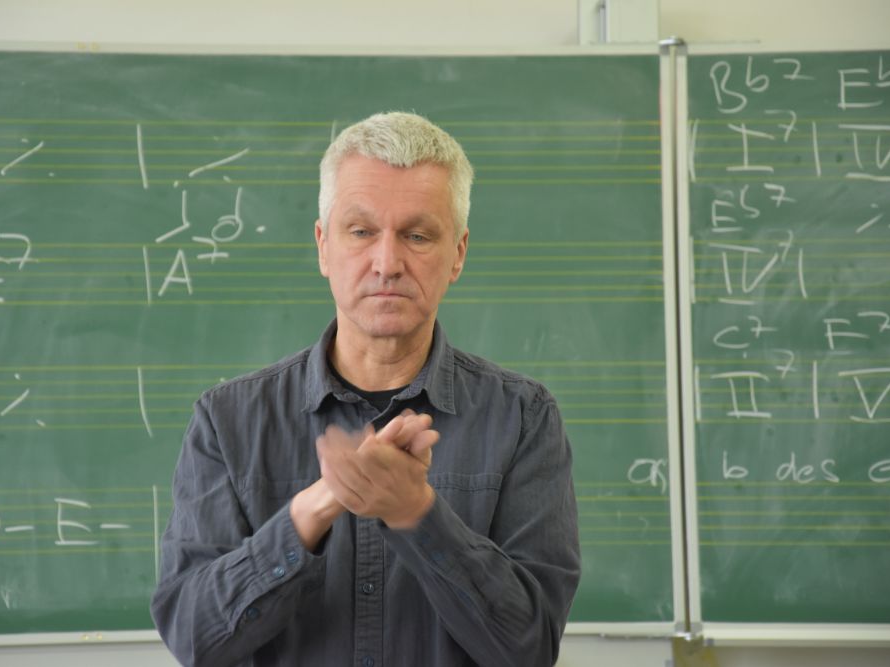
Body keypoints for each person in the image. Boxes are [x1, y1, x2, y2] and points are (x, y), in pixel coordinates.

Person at [151, 112, 580, 667]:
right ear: (323, 246)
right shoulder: (226, 420)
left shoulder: (523, 418)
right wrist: (314, 509)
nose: (387, 263)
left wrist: (419, 515)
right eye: (361, 232)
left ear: (458, 254)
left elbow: (530, 649)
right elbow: (194, 639)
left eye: (417, 236)